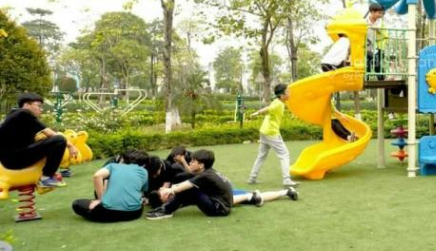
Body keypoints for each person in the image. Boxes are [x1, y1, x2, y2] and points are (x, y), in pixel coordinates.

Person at [146, 149, 297, 220]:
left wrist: (171, 190)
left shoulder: (205, 176)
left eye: (193, 161)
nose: (190, 163)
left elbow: (186, 186)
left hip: (219, 208)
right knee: (252, 196)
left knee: (191, 190)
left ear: (201, 165)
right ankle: (285, 192)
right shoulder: (208, 172)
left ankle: (166, 211)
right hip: (224, 200)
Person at [0, 92, 78, 188]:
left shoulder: (16, 114)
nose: (41, 109)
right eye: (38, 106)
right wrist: (70, 145)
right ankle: (46, 178)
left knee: (45, 140)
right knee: (59, 140)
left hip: (11, 158)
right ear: (26, 105)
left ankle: (47, 173)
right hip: (15, 159)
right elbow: (50, 133)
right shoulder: (24, 113)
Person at [71, 150, 149, 223]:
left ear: (123, 159)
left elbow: (97, 175)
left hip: (108, 213)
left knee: (77, 203)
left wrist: (100, 200)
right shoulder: (144, 172)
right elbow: (143, 191)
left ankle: (99, 203)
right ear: (144, 164)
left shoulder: (113, 166)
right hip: (134, 213)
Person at [247, 84, 298, 187]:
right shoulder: (278, 104)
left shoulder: (277, 101)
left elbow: (269, 107)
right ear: (282, 95)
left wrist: (257, 113)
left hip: (264, 131)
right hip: (271, 133)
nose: (289, 93)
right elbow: (268, 109)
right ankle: (286, 180)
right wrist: (257, 113)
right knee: (284, 154)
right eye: (287, 92)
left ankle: (252, 178)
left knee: (261, 156)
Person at [365, 3, 387, 79]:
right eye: (379, 13)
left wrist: (378, 30)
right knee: (367, 65)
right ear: (372, 12)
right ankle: (365, 81)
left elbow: (384, 34)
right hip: (366, 47)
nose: (380, 15)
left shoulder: (380, 23)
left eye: (381, 13)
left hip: (377, 47)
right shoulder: (364, 21)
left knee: (377, 64)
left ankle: (382, 80)